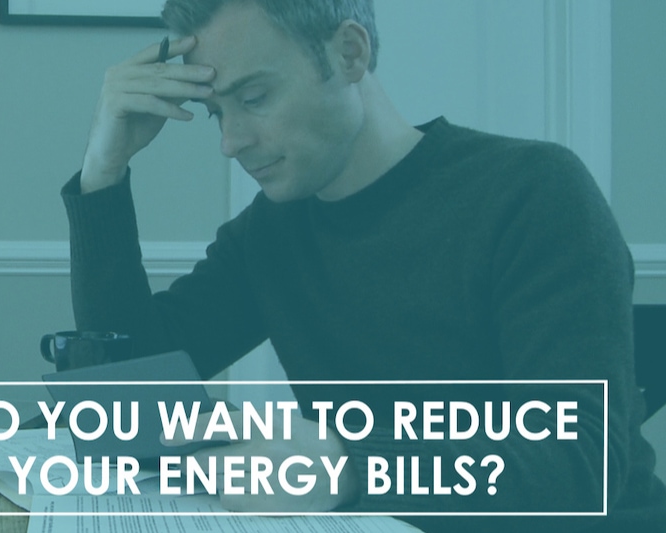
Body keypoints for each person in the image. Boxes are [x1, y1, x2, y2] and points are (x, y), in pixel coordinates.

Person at [60, 0, 666, 531]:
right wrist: (103, 173)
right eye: (219, 113)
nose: (232, 141)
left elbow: (581, 467)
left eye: (254, 97)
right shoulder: (274, 231)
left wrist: (346, 464)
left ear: (350, 52)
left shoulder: (533, 191)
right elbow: (126, 389)